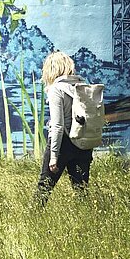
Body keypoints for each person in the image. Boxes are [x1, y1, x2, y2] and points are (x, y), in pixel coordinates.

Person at [35, 51, 93, 207]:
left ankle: (32, 216)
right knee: (81, 190)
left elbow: (58, 126)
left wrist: (54, 156)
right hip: (83, 142)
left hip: (63, 143)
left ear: (51, 69)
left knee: (44, 188)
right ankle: (86, 218)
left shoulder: (56, 89)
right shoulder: (83, 86)